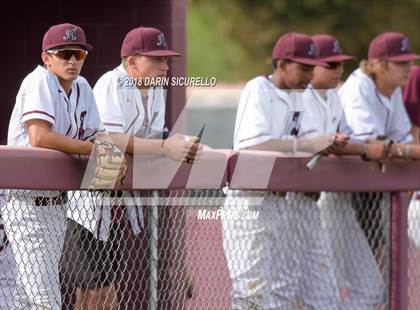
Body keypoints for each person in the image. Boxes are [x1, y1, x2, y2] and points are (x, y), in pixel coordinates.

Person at [60, 26, 200, 309]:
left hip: (114, 202)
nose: (165, 66)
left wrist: (180, 144)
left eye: (166, 59)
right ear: (133, 61)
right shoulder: (113, 82)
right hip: (89, 200)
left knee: (102, 292)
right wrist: (165, 147)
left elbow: (154, 138)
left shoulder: (156, 89)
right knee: (94, 294)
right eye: (157, 59)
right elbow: (109, 139)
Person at [221, 32, 353, 309]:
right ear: (281, 65)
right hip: (250, 202)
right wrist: (309, 143)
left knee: (270, 295)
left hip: (279, 204)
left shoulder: (299, 96)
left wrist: (326, 143)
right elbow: (253, 144)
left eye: (311, 68)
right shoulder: (258, 89)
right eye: (303, 68)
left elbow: (307, 144)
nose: (309, 75)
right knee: (251, 295)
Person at [3, 23, 100, 309]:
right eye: (64, 53)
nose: (72, 61)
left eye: (79, 55)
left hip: (57, 205)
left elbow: (97, 137)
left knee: (25, 297)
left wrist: (111, 155)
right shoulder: (39, 80)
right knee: (46, 300)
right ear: (47, 57)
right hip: (25, 204)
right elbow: (39, 136)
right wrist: (92, 150)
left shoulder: (82, 87)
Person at [303, 34, 388, 308]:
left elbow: (348, 139)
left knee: (370, 289)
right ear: (310, 66)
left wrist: (363, 147)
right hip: (297, 200)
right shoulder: (299, 97)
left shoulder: (334, 98)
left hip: (331, 201)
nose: (338, 70)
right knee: (310, 292)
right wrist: (365, 150)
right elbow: (327, 145)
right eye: (330, 64)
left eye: (341, 64)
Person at [339, 31, 420, 305]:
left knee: (377, 283)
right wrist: (406, 150)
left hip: (371, 197)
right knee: (359, 285)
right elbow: (375, 146)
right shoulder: (359, 87)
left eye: (410, 62)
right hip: (342, 199)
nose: (409, 68)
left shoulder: (391, 90)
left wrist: (404, 149)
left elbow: (402, 138)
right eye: (401, 62)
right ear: (379, 63)